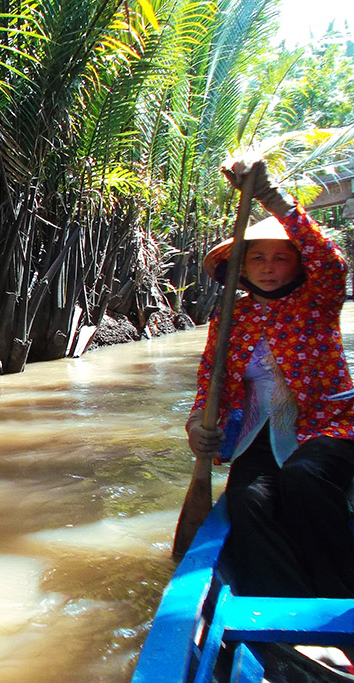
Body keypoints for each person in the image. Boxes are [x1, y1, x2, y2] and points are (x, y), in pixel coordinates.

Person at [186, 156, 354, 599]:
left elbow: (331, 263)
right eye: (257, 257)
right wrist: (198, 421)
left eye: (281, 258)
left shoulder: (319, 300)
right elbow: (212, 380)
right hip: (260, 432)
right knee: (246, 500)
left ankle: (337, 594)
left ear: (298, 266)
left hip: (329, 425)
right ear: (240, 268)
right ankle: (280, 604)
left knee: (303, 477)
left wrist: (271, 198)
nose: (268, 266)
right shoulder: (231, 316)